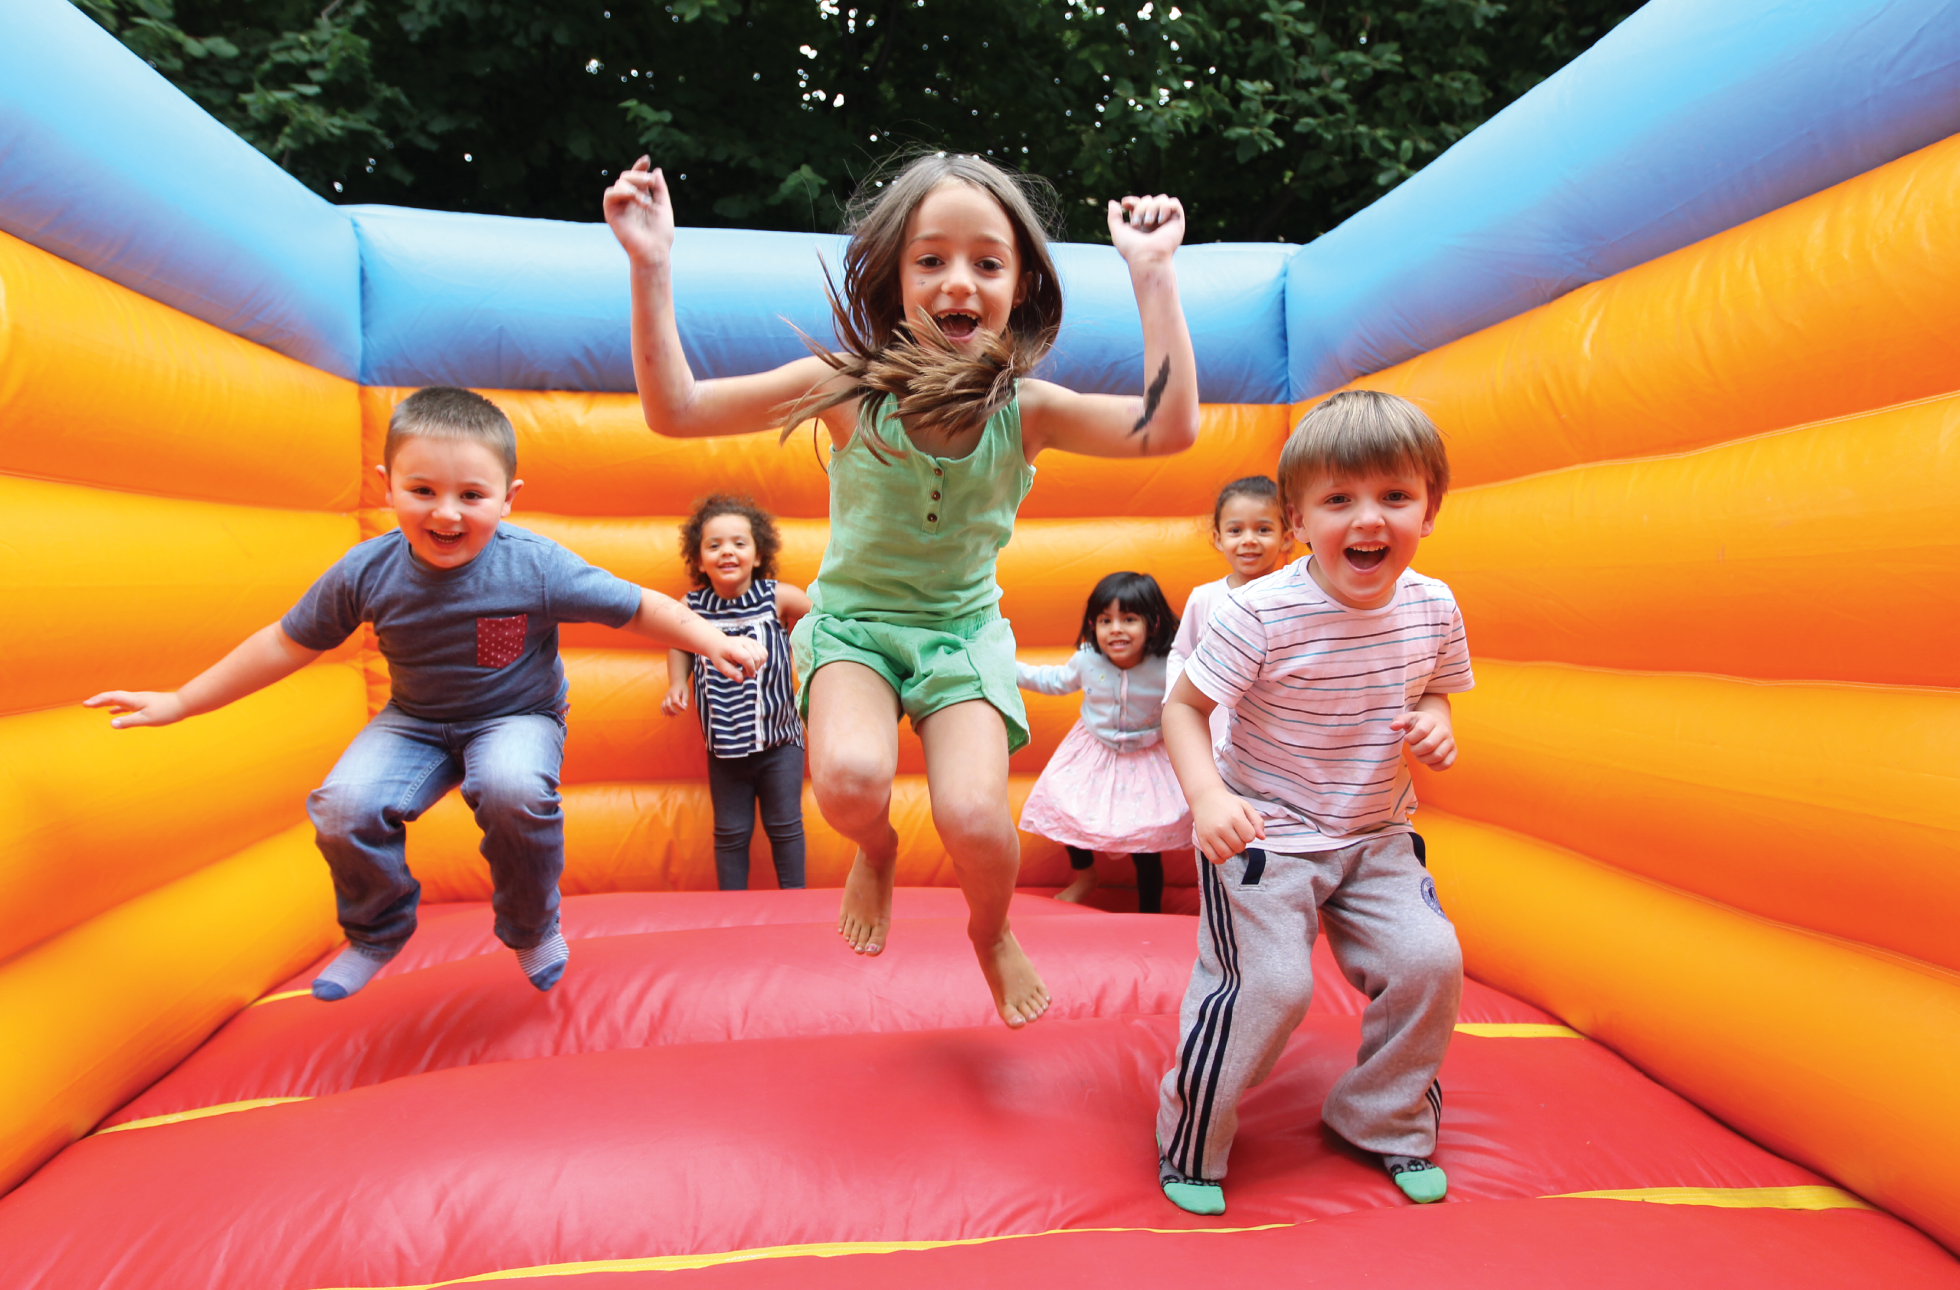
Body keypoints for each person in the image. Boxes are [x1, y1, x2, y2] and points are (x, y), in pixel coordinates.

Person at [602, 150, 1200, 1027]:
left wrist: (1152, 276)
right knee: (846, 780)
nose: (959, 281)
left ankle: (989, 932)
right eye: (932, 259)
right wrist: (651, 265)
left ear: (1021, 282)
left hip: (960, 634)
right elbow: (676, 410)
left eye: (986, 262)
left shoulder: (1026, 411)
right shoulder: (845, 392)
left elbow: (1169, 427)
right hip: (855, 627)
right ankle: (874, 850)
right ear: (894, 278)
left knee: (977, 821)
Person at [84, 388, 764, 1000]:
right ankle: (377, 929)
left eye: (472, 496)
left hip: (514, 716)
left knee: (512, 789)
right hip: (414, 721)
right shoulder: (367, 570)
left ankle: (529, 926)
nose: (446, 513)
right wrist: (181, 701)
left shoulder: (534, 564)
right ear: (387, 486)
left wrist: (714, 641)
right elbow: (285, 643)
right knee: (341, 806)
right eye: (422, 490)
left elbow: (639, 606)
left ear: (507, 498)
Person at [1154, 389, 1473, 1215]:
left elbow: (1437, 690)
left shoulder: (1434, 607)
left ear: (1430, 509)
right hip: (1266, 831)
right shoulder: (1257, 613)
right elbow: (1183, 709)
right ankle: (1191, 1139)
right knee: (1270, 988)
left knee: (1429, 961)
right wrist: (1208, 797)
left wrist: (1434, 725)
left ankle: (1384, 1119)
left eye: (1394, 497)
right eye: (1340, 501)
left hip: (1374, 828)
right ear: (1297, 518)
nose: (1368, 520)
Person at [662, 494, 812, 891]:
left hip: (780, 741)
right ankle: (732, 906)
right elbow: (678, 643)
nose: (727, 551)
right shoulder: (692, 607)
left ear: (758, 555)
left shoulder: (776, 597)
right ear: (698, 560)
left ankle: (795, 900)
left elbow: (820, 615)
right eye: (714, 545)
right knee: (730, 832)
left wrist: (811, 656)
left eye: (739, 543)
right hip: (724, 747)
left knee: (785, 826)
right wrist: (679, 682)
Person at [1016, 572, 1188, 913]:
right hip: (1095, 750)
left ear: (1152, 624)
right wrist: (1008, 669)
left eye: (1129, 619)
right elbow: (1054, 681)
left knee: (1146, 836)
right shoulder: (1087, 659)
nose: (1116, 630)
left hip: (1147, 753)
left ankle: (1149, 909)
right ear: (1093, 625)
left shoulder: (1168, 664)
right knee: (1064, 805)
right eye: (1105, 621)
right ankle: (1085, 876)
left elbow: (1197, 694)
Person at [1166, 475, 1291, 752]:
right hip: (1212, 727)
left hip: (1271, 737)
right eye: (1236, 531)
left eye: (1263, 530)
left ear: (1286, 538)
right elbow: (1181, 652)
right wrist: (1177, 703)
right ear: (1218, 538)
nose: (1249, 540)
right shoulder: (1204, 597)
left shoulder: (1292, 599)